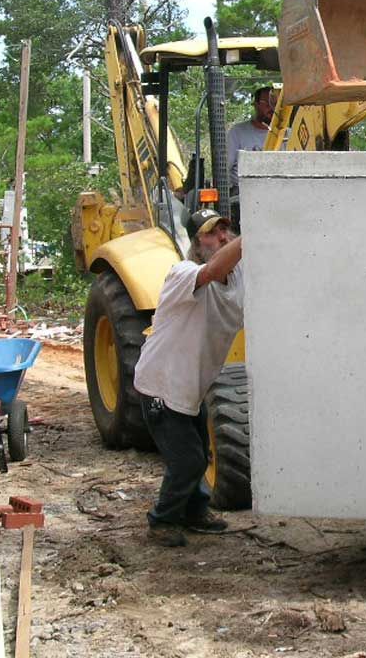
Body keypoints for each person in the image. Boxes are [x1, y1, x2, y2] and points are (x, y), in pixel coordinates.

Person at [134, 208, 245, 547]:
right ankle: (162, 520)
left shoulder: (240, 279)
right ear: (197, 243)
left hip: (190, 386)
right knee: (188, 460)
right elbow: (213, 270)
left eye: (227, 230)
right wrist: (256, 230)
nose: (223, 237)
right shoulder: (183, 273)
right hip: (161, 386)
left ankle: (195, 511)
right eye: (214, 233)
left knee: (200, 453)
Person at [227, 86, 274, 195]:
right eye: (267, 104)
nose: (272, 108)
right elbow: (225, 168)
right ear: (256, 105)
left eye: (275, 103)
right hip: (243, 193)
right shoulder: (237, 132)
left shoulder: (288, 135)